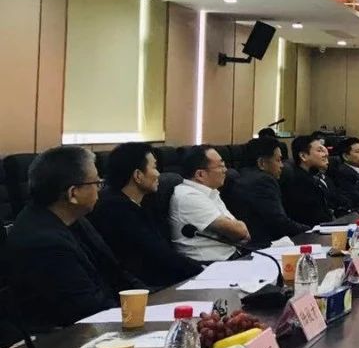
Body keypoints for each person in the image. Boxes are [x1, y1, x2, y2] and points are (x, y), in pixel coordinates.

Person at [2, 146, 146, 331]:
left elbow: (115, 272)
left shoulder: (74, 219)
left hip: (104, 319)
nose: (100, 189)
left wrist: (146, 301)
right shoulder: (43, 243)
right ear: (73, 193)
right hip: (64, 338)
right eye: (97, 183)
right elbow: (87, 308)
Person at [89, 142, 204, 288]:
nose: (158, 174)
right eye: (154, 167)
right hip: (140, 289)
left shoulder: (146, 201)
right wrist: (202, 271)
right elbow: (158, 253)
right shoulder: (114, 209)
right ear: (138, 175)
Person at [170, 145, 250, 263]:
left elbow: (241, 232)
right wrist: (237, 230)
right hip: (210, 265)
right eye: (220, 166)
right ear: (200, 174)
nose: (225, 170)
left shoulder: (210, 192)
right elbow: (239, 231)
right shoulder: (188, 196)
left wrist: (237, 230)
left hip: (231, 257)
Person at [224, 136, 311, 243]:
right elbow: (279, 222)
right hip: (262, 245)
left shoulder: (243, 176)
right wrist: (309, 231)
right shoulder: (263, 181)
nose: (282, 165)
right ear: (262, 163)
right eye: (278, 160)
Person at [282, 133, 342, 227]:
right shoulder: (299, 182)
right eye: (319, 150)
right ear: (303, 156)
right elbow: (314, 217)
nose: (326, 154)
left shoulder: (316, 176)